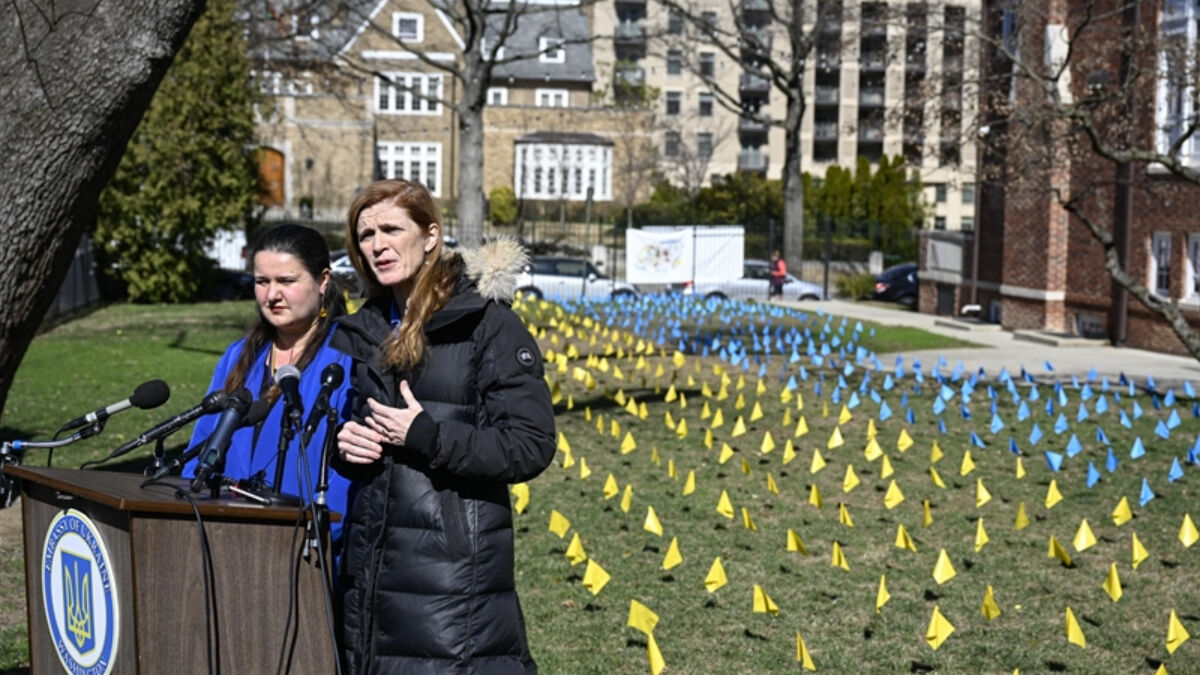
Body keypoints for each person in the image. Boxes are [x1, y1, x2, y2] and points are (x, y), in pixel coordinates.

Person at [332, 179, 555, 674]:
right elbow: (347, 425)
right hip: (367, 571)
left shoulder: (485, 324)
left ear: (430, 235)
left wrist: (427, 436)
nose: (377, 245)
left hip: (450, 581)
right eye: (366, 234)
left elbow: (531, 445)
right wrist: (341, 443)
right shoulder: (362, 330)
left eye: (392, 228)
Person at [187, 224, 354, 546]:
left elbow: (350, 472)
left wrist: (322, 530)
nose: (272, 295)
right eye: (262, 282)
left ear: (323, 281)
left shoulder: (347, 358)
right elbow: (202, 447)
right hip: (224, 539)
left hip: (305, 547)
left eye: (287, 281)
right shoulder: (238, 356)